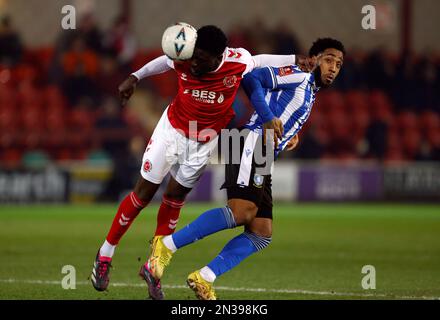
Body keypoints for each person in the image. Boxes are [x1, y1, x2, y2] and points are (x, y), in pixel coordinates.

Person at [91, 24, 312, 297]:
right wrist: (135, 77)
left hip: (204, 140)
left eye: (202, 59)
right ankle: (104, 255)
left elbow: (259, 61)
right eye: (193, 57)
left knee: (174, 199)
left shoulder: (237, 61)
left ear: (219, 57)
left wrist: (293, 60)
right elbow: (164, 61)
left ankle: (155, 267)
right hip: (171, 131)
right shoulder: (186, 55)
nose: (194, 63)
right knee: (143, 194)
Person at [147, 38, 345, 300]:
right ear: (315, 58)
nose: (333, 67)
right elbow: (252, 80)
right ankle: (166, 245)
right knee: (241, 212)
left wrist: (289, 135)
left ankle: (204, 276)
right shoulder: (299, 74)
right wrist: (266, 118)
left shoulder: (310, 91)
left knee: (261, 232)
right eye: (329, 59)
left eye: (339, 64)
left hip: (264, 152)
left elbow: (280, 110)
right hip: (249, 142)